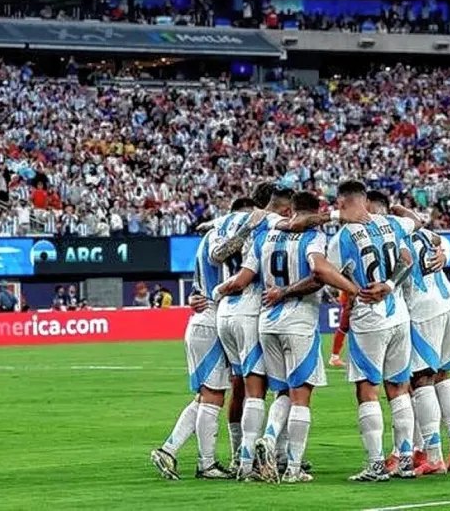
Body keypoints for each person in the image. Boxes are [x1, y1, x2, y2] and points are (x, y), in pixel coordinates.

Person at [214, 191, 362, 483]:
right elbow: (319, 270)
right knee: (301, 396)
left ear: (290, 211)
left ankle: (252, 456)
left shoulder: (268, 234)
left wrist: (216, 293)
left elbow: (245, 275)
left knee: (281, 391)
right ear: (316, 211)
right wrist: (351, 289)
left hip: (266, 322)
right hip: (298, 322)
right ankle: (291, 466)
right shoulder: (315, 237)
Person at [325, 180, 421, 482]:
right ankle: (405, 460)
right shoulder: (390, 223)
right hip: (399, 314)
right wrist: (390, 285)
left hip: (368, 316)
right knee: (399, 386)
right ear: (365, 200)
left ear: (341, 203)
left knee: (367, 388)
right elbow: (409, 260)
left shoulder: (342, 236)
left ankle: (376, 464)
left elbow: (327, 276)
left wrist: (350, 290)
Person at [150, 200, 246, 481]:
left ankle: (168, 450)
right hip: (212, 320)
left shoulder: (207, 237)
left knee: (205, 396)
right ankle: (206, 464)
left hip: (200, 320)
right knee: (213, 397)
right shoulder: (226, 239)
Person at [372, 190, 450, 476]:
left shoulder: (388, 237)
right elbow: (443, 241)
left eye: (373, 213)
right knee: (442, 377)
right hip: (448, 304)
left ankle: (431, 456)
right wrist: (444, 254)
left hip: (423, 312)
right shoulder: (420, 231)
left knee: (419, 381)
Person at [328, 290, 351, 368]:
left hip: (351, 299)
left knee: (344, 328)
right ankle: (334, 357)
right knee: (343, 327)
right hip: (350, 299)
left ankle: (334, 357)